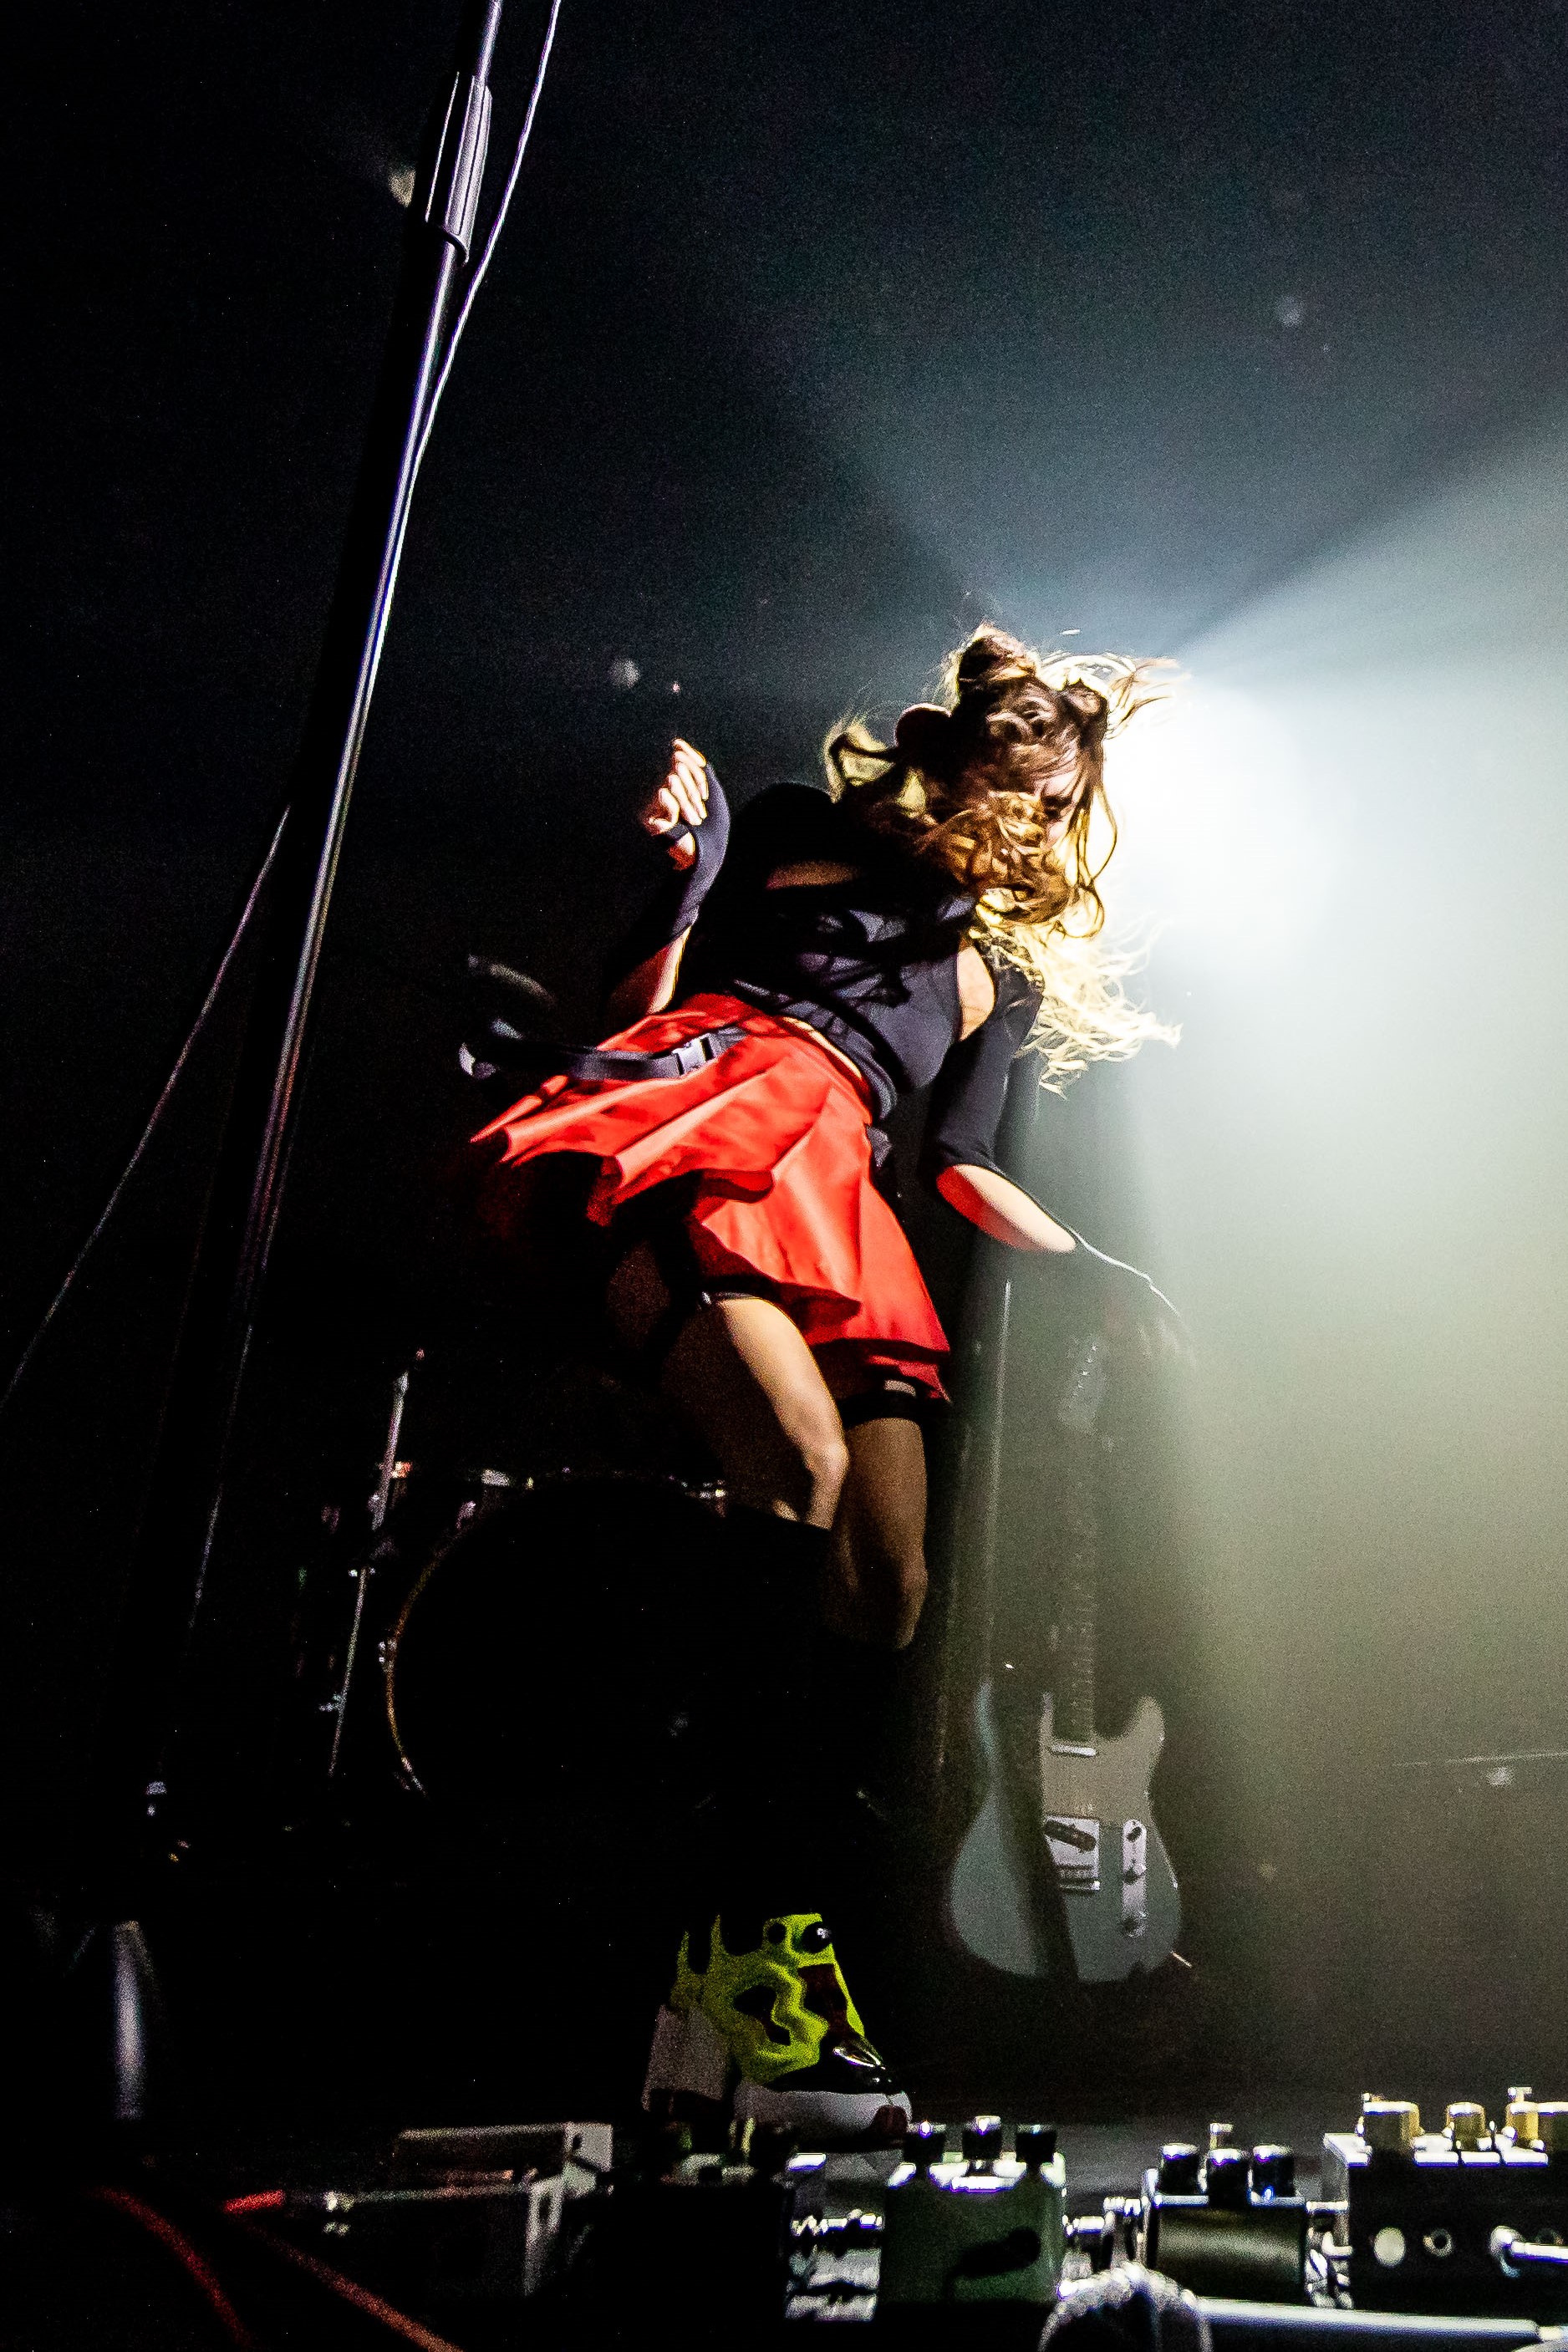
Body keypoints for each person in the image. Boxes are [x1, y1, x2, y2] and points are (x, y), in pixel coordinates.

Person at [473, 624, 1168, 2136]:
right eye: (1025, 784)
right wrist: (683, 875)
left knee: (889, 1574)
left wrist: (1099, 1269)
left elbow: (965, 1164)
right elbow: (635, 1004)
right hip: (711, 1105)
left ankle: (718, 1975)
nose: (1038, 820)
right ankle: (751, 1947)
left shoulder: (996, 974)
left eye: (1061, 805)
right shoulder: (797, 828)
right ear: (959, 759)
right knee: (794, 1464)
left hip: (841, 1187)